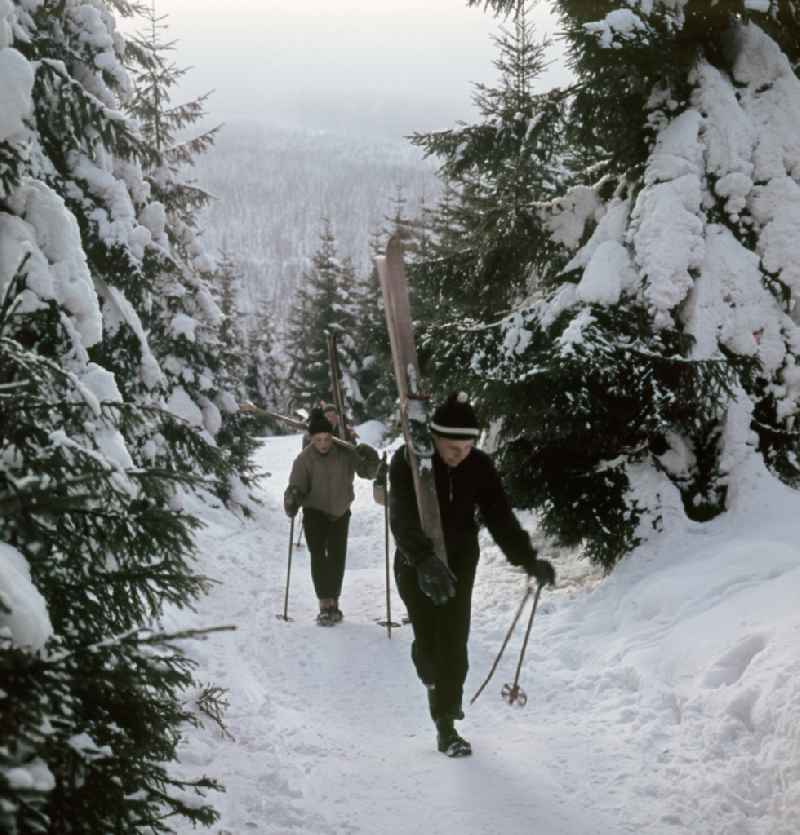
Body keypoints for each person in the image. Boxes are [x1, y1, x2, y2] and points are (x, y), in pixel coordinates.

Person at [389, 391, 556, 757]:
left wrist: (528, 560)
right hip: (415, 563)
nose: (460, 454)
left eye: (467, 446)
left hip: (460, 561)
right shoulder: (407, 462)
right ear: (434, 437)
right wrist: (422, 560)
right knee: (430, 643)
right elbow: (399, 517)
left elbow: (499, 516)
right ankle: (429, 666)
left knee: (455, 640)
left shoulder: (479, 465)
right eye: (452, 447)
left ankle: (446, 722)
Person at [284, 408, 379, 625]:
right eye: (318, 439)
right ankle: (323, 604)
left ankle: (334, 601)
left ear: (332, 436)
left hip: (340, 512)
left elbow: (367, 472)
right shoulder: (304, 459)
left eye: (327, 438)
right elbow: (296, 485)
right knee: (318, 555)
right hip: (314, 511)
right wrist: (292, 498)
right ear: (311, 438)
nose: (324, 444)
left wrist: (371, 459)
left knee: (337, 557)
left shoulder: (345, 453)